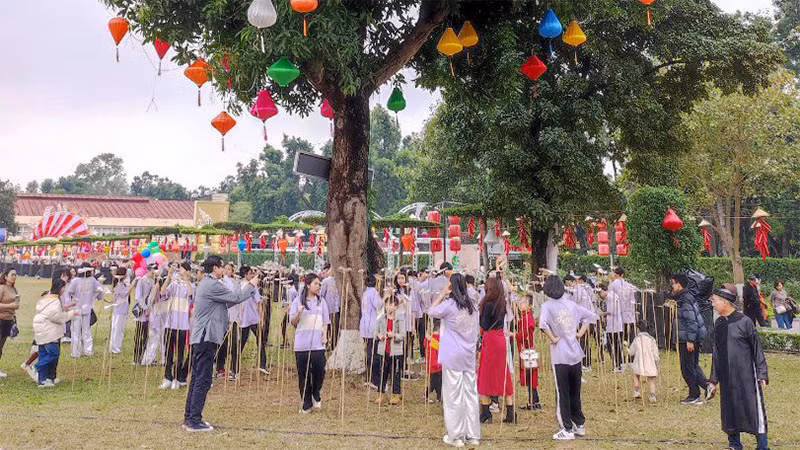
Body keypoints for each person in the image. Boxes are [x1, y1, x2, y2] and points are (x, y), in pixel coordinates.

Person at [183, 255, 259, 432]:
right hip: (206, 336)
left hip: (202, 337)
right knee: (203, 379)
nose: (224, 270)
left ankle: (190, 417)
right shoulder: (212, 284)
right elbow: (235, 297)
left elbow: (225, 304)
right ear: (215, 268)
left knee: (197, 378)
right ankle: (194, 420)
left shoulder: (207, 284)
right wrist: (251, 285)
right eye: (222, 267)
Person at [707, 286, 769, 450]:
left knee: (753, 410)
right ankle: (734, 444)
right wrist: (713, 380)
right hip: (727, 377)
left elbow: (757, 349)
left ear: (724, 302)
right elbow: (717, 353)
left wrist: (762, 373)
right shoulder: (719, 323)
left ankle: (762, 446)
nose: (713, 304)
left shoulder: (745, 322)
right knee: (729, 410)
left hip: (747, 376)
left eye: (715, 301)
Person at [538, 275, 598, 441]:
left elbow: (542, 325)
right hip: (575, 354)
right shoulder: (571, 305)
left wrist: (553, 338)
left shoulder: (547, 306)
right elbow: (591, 316)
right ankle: (579, 424)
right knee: (575, 392)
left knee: (562, 393)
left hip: (560, 356)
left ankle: (567, 428)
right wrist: (580, 333)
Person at [428, 273, 480, 448]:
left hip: (452, 356)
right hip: (468, 355)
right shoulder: (473, 306)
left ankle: (456, 435)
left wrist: (443, 293)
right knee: (471, 395)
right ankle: (473, 435)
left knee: (453, 396)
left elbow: (431, 311)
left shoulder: (449, 305)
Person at [290, 273, 330, 414]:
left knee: (320, 370)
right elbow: (292, 321)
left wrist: (325, 335)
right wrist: (299, 312)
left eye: (319, 284)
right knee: (303, 375)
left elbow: (325, 322)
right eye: (315, 284)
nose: (318, 286)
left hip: (318, 344)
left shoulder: (321, 301)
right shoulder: (298, 301)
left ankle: (316, 393)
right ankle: (306, 404)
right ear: (308, 285)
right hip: (302, 344)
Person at [477, 276, 515, 424]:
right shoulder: (502, 304)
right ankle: (510, 411)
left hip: (491, 340)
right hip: (501, 339)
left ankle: (486, 411)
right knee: (503, 373)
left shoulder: (487, 305)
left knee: (485, 374)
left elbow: (484, 325)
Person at [670, 273, 712, 405]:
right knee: (693, 365)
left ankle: (694, 395)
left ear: (679, 284)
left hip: (688, 338)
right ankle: (708, 386)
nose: (672, 286)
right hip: (691, 336)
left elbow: (691, 321)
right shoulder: (685, 296)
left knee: (687, 368)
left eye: (673, 283)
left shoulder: (684, 299)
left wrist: (690, 340)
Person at [32, 278, 76, 387]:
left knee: (43, 353)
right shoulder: (55, 301)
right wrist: (72, 313)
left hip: (40, 327)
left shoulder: (46, 298)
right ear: (61, 288)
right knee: (54, 353)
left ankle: (42, 381)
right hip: (49, 330)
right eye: (64, 287)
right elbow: (57, 317)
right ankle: (37, 367)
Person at [160, 262, 193, 390]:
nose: (181, 272)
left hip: (182, 325)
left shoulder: (191, 286)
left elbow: (191, 295)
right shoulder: (173, 285)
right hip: (170, 324)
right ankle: (167, 377)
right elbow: (163, 293)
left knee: (179, 354)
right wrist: (168, 278)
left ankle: (177, 378)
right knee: (168, 353)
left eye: (183, 270)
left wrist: (186, 279)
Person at [66, 263, 104, 358]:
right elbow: (69, 293)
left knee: (82, 330)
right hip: (78, 309)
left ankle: (84, 351)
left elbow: (99, 291)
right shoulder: (78, 280)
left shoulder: (91, 280)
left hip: (84, 309)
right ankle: (79, 351)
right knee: (79, 330)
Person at [374, 294, 406, 405]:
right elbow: (375, 331)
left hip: (395, 351)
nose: (388, 307)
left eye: (391, 304)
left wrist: (394, 335)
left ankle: (396, 394)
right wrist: (379, 335)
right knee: (382, 373)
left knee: (395, 373)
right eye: (387, 304)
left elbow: (403, 335)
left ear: (396, 306)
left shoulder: (399, 319)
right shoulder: (381, 318)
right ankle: (381, 394)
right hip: (383, 350)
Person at [516, 295, 540, 410]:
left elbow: (523, 335)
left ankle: (533, 401)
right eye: (520, 302)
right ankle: (534, 400)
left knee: (530, 375)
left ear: (529, 306)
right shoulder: (525, 316)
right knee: (530, 374)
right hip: (528, 348)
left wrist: (514, 335)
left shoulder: (527, 318)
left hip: (528, 348)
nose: (521, 304)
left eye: (523, 303)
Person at [629, 320, 659, 403]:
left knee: (636, 375)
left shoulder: (637, 339)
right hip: (650, 361)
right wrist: (656, 362)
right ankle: (652, 396)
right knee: (651, 379)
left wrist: (627, 350)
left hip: (639, 361)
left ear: (638, 329)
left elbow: (632, 351)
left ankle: (636, 391)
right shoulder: (652, 339)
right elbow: (655, 353)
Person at [360, 274, 381, 387]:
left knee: (369, 352)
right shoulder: (373, 293)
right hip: (372, 326)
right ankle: (374, 379)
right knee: (374, 353)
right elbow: (379, 306)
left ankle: (369, 376)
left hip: (365, 325)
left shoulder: (365, 293)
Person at [133, 264, 157, 365]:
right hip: (142, 313)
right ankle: (136, 358)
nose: (154, 273)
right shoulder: (142, 281)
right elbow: (138, 297)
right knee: (139, 335)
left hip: (150, 312)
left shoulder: (153, 281)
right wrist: (145, 308)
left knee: (147, 336)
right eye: (153, 271)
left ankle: (144, 357)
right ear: (148, 270)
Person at [110, 267, 137, 354]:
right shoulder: (118, 284)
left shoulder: (122, 283)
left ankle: (117, 346)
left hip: (123, 309)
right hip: (119, 309)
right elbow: (124, 294)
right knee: (117, 329)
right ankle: (114, 347)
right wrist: (132, 285)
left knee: (120, 329)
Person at [0, 268, 20, 377]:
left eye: (15, 275)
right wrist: (10, 306)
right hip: (1, 319)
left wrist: (15, 306)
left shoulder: (14, 289)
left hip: (8, 320)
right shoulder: (2, 288)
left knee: (1, 345)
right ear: (6, 276)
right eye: (12, 274)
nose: (14, 277)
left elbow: (15, 305)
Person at [599, 284, 624, 372]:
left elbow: (613, 311)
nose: (600, 294)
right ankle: (617, 365)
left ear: (604, 290)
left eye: (600, 292)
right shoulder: (611, 297)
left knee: (613, 346)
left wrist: (603, 313)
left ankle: (618, 365)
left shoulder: (611, 297)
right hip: (613, 326)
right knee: (615, 346)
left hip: (615, 326)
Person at [319, 264, 341, 349]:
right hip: (329, 309)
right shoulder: (326, 281)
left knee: (332, 329)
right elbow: (322, 295)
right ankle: (328, 345)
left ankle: (332, 346)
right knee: (329, 328)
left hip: (334, 309)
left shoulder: (338, 281)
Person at [424, 319, 443, 403]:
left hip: (432, 365)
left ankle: (439, 397)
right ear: (439, 329)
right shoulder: (436, 339)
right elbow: (440, 348)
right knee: (435, 383)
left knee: (437, 382)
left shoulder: (430, 339)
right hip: (436, 365)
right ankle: (427, 394)